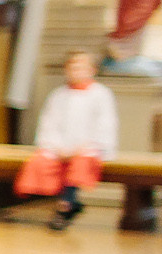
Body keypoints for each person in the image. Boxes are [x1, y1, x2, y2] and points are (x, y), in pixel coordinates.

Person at [19, 50, 120, 231]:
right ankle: (68, 204)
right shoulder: (58, 95)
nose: (76, 71)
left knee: (80, 164)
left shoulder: (101, 95)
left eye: (81, 67)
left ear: (92, 70)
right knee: (41, 162)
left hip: (87, 148)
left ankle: (65, 206)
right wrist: (57, 147)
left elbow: (105, 125)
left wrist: (82, 147)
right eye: (72, 67)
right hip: (60, 148)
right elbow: (48, 124)